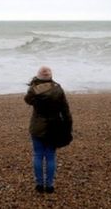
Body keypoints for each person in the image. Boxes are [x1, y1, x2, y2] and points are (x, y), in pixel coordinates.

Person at [24, 66, 73, 194]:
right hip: (54, 126)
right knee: (51, 156)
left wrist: (35, 84)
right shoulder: (58, 89)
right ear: (51, 76)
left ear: (38, 77)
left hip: (37, 126)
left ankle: (39, 184)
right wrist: (68, 126)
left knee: (38, 155)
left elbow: (27, 100)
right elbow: (65, 110)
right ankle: (50, 185)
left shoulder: (34, 90)